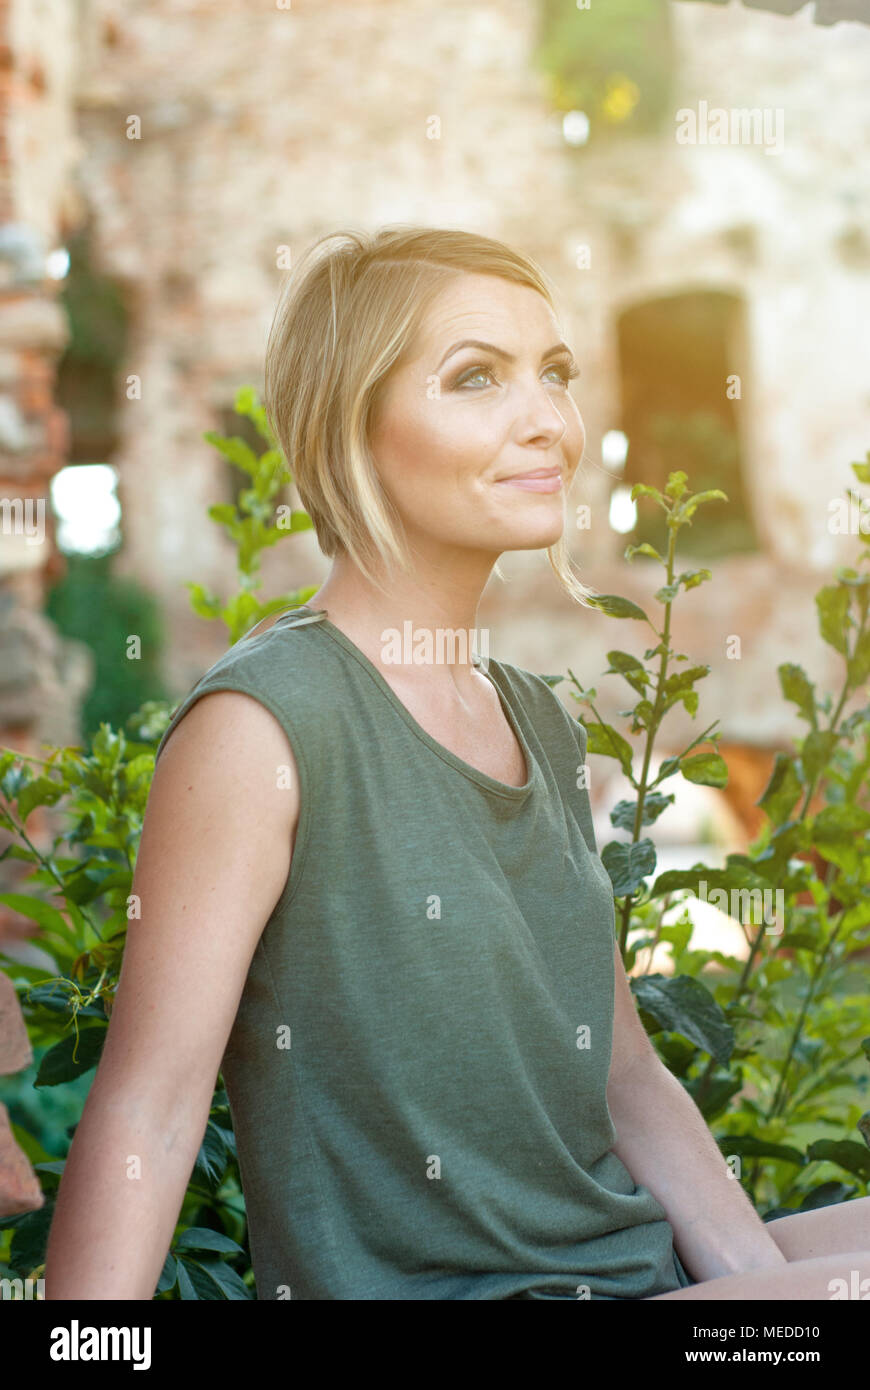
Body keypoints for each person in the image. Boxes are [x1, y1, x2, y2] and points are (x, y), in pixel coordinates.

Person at [44, 226, 870, 1300]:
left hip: (625, 1275)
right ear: (352, 426)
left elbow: (623, 1077)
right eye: (475, 378)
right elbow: (148, 1104)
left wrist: (764, 1298)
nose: (548, 423)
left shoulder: (541, 719)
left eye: (554, 375)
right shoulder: (265, 726)